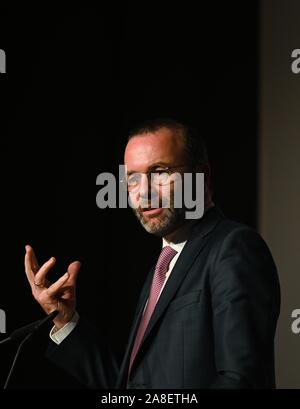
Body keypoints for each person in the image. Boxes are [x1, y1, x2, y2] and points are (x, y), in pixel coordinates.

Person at [24, 118, 280, 389]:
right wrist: (65, 319)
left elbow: (242, 382)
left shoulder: (233, 248)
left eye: (159, 172)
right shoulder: (163, 264)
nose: (143, 192)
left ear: (201, 177)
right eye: (132, 178)